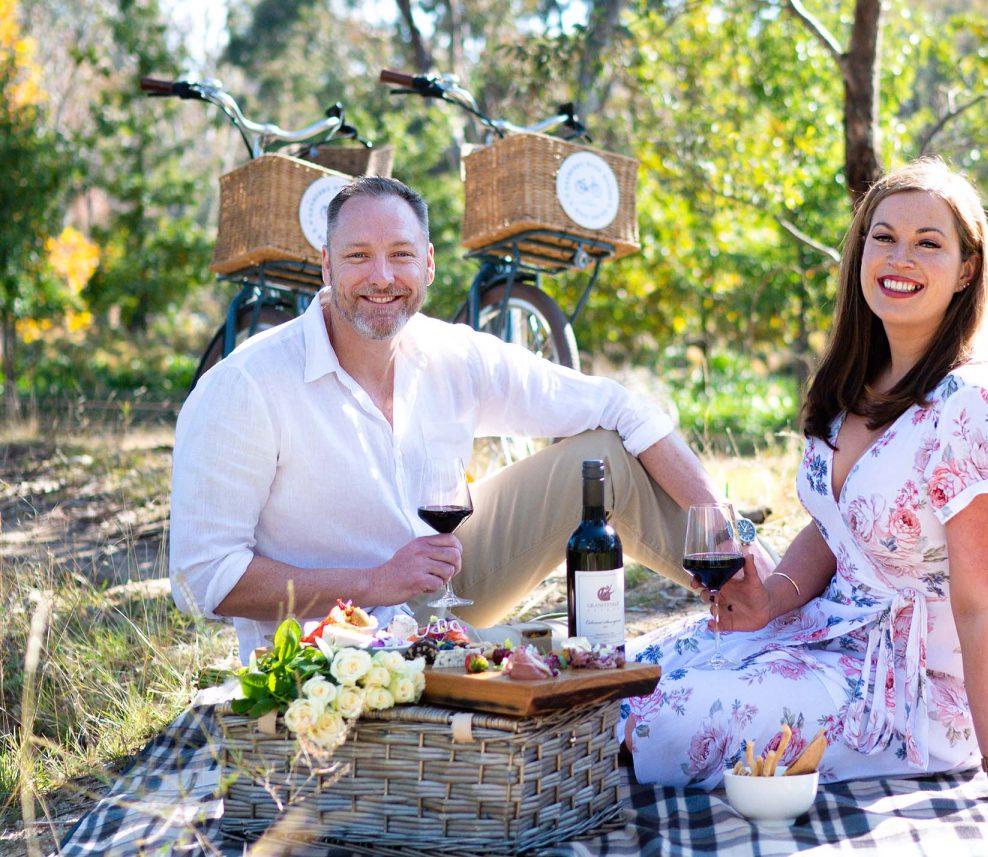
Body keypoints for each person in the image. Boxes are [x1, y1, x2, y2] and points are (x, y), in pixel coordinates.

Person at [619, 158, 988, 808]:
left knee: (664, 719)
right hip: (823, 635)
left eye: (928, 243)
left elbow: (983, 600)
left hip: (915, 693)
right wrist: (771, 599)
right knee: (618, 680)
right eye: (883, 237)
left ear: (967, 268)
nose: (899, 257)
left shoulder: (977, 410)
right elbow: (835, 530)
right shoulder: (855, 381)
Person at [169, 175, 771, 663]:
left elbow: (620, 407)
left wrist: (723, 530)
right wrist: (373, 582)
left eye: (400, 255)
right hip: (336, 646)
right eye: (358, 257)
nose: (382, 277)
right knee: (567, 668)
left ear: (427, 265)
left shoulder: (449, 352)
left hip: (444, 578)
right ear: (325, 266)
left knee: (603, 455)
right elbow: (203, 580)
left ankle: (763, 604)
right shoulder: (244, 388)